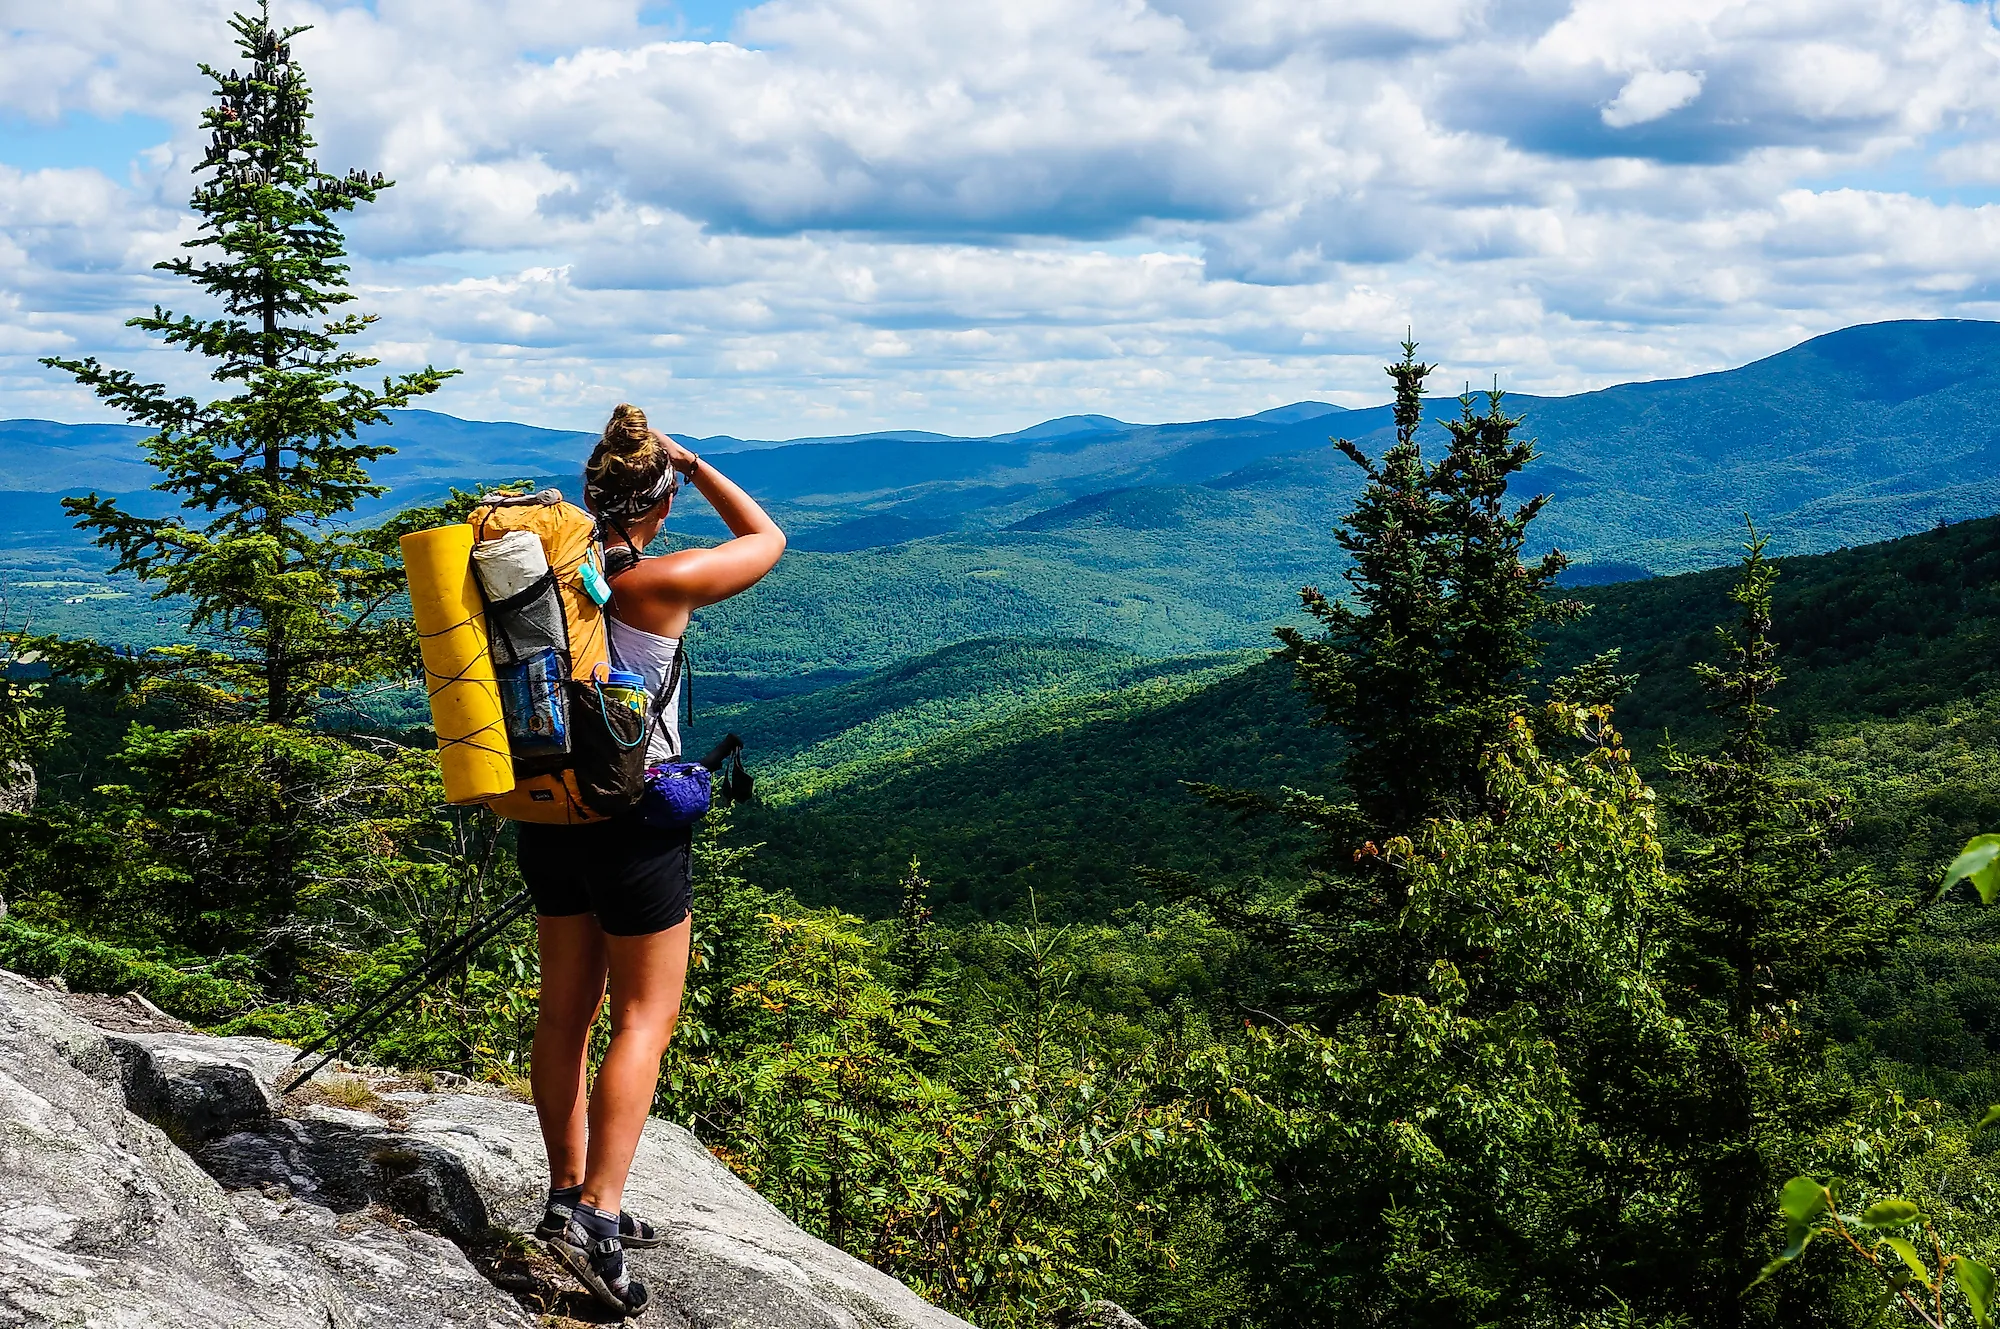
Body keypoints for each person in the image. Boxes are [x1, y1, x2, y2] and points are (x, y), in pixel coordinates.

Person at [518, 403, 784, 1315]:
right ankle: (600, 1213)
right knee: (644, 1017)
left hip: (548, 810)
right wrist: (696, 462)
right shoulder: (658, 585)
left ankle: (564, 1191)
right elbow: (767, 536)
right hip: (631, 820)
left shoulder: (556, 579)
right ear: (659, 506)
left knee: (567, 1012)